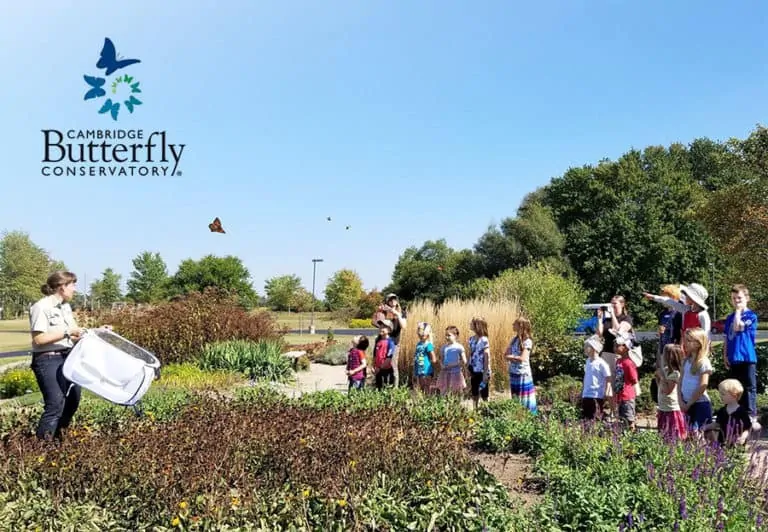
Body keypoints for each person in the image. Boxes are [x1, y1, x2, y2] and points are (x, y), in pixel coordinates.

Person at [29, 271, 86, 441]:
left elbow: (73, 335)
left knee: (72, 401)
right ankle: (41, 448)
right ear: (62, 287)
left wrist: (96, 332)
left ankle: (58, 442)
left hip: (67, 357)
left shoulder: (65, 307)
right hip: (47, 359)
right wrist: (68, 331)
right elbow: (39, 339)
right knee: (55, 404)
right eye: (72, 285)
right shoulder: (41, 307)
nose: (75, 289)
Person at [723, 284, 759, 429]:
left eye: (739, 298)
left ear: (746, 298)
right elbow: (727, 337)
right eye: (734, 298)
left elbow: (738, 327)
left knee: (749, 386)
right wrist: (725, 354)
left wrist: (738, 311)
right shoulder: (729, 317)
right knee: (735, 387)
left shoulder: (751, 316)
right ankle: (736, 412)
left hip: (747, 356)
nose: (736, 301)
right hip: (733, 357)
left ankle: (751, 413)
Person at [644, 283, 711, 344]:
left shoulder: (703, 315)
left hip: (698, 348)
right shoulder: (686, 309)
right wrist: (653, 297)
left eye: (687, 295)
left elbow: (706, 334)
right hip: (686, 347)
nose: (684, 296)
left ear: (692, 298)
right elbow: (669, 301)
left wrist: (706, 347)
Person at [651, 284, 683, 404]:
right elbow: (661, 333)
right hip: (662, 348)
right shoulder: (662, 314)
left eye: (664, 296)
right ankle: (662, 401)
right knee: (661, 373)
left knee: (673, 376)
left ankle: (674, 402)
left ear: (672, 296)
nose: (662, 299)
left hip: (673, 349)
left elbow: (680, 332)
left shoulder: (678, 313)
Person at [678, 327, 714, 434]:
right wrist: (680, 400)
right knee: (689, 434)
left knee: (700, 434)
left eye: (689, 340)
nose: (685, 343)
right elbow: (680, 381)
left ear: (698, 343)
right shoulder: (686, 361)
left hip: (699, 404)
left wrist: (689, 403)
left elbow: (703, 385)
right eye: (685, 339)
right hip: (685, 403)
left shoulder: (703, 362)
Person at [703, 379, 753, 447]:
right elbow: (717, 424)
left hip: (737, 445)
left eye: (723, 394)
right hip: (722, 443)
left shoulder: (742, 411)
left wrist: (743, 437)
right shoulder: (722, 411)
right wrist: (706, 427)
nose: (720, 396)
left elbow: (748, 428)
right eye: (720, 393)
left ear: (734, 395)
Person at [374, 294, 408, 387]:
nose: (393, 301)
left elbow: (404, 326)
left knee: (392, 364)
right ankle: (380, 386)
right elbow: (375, 323)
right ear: (387, 301)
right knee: (380, 362)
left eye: (394, 299)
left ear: (397, 301)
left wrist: (397, 314)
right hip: (382, 341)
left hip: (394, 342)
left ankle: (395, 388)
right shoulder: (384, 312)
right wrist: (379, 311)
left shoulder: (402, 312)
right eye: (390, 299)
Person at [655, 344, 687, 442]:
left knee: (673, 435)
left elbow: (668, 390)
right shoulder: (665, 370)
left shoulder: (675, 374)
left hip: (672, 409)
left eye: (663, 354)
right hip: (663, 407)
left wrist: (662, 377)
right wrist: (658, 378)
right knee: (664, 436)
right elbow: (661, 387)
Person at [505, 317, 537, 414]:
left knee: (524, 398)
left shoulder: (527, 341)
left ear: (520, 326)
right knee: (515, 396)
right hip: (513, 372)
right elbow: (505, 354)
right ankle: (517, 415)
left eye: (514, 324)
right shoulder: (514, 340)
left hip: (523, 373)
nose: (512, 325)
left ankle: (527, 416)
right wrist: (512, 357)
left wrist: (510, 357)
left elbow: (522, 358)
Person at [581, 334, 611, 420]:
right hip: (586, 394)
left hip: (596, 394)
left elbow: (608, 379)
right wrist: (582, 390)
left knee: (596, 417)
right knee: (586, 418)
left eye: (587, 347)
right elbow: (586, 376)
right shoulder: (588, 361)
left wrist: (606, 392)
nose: (585, 349)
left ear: (594, 348)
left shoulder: (602, 363)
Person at [613, 332, 639, 431]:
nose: (615, 347)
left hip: (627, 396)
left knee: (629, 418)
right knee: (622, 419)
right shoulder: (618, 361)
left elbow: (634, 379)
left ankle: (632, 436)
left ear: (626, 347)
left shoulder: (628, 363)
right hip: (619, 395)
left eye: (617, 346)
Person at [435, 326, 467, 396]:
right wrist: (442, 365)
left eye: (449, 335)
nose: (446, 337)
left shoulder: (459, 347)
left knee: (457, 390)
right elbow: (440, 359)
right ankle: (444, 404)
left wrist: (453, 365)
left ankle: (459, 403)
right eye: (446, 335)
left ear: (455, 336)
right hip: (445, 372)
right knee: (444, 389)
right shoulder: (444, 347)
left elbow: (464, 361)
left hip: (456, 373)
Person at [468, 316, 491, 410]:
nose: (470, 324)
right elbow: (469, 354)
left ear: (477, 326)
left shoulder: (484, 339)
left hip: (482, 370)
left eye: (471, 323)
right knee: (474, 391)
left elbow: (486, 356)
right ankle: (475, 410)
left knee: (484, 392)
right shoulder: (471, 339)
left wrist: (486, 372)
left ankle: (487, 410)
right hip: (473, 369)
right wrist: (467, 367)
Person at [413, 322, 436, 394]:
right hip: (419, 369)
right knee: (421, 387)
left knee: (426, 386)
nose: (421, 335)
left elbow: (434, 358)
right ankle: (423, 401)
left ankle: (427, 400)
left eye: (423, 334)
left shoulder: (428, 345)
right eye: (420, 334)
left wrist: (431, 365)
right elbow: (418, 355)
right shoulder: (419, 344)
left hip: (426, 370)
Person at [372, 321, 396, 390]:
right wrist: (373, 366)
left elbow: (388, 358)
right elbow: (375, 355)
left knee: (386, 388)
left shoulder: (390, 342)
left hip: (386, 370)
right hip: (378, 370)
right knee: (378, 388)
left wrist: (380, 368)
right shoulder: (378, 341)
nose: (381, 328)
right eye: (380, 327)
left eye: (384, 327)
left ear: (389, 330)